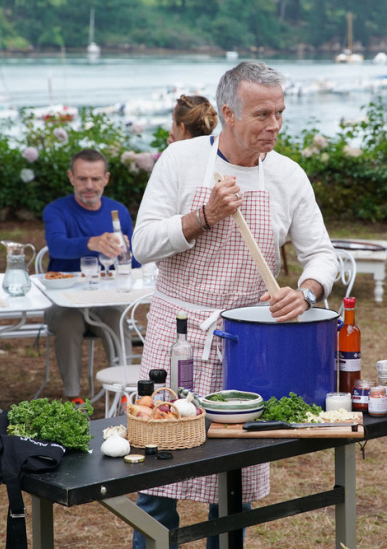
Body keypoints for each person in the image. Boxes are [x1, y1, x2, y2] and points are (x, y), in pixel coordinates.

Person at [131, 61, 337, 548]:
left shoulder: (287, 176)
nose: (274, 126)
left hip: (247, 343)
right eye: (262, 114)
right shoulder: (179, 161)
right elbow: (142, 243)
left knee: (234, 483)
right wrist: (203, 216)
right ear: (227, 112)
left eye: (280, 113)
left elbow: (322, 255)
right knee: (158, 478)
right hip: (177, 335)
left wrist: (306, 292)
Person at [42, 148, 140, 403]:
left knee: (117, 318)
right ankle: (73, 397)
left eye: (95, 179)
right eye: (82, 178)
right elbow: (56, 246)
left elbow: (135, 262)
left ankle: (125, 392)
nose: (89, 185)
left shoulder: (118, 212)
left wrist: (129, 252)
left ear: (106, 179)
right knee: (68, 321)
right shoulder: (56, 210)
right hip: (64, 299)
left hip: (104, 298)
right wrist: (92, 243)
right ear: (70, 178)